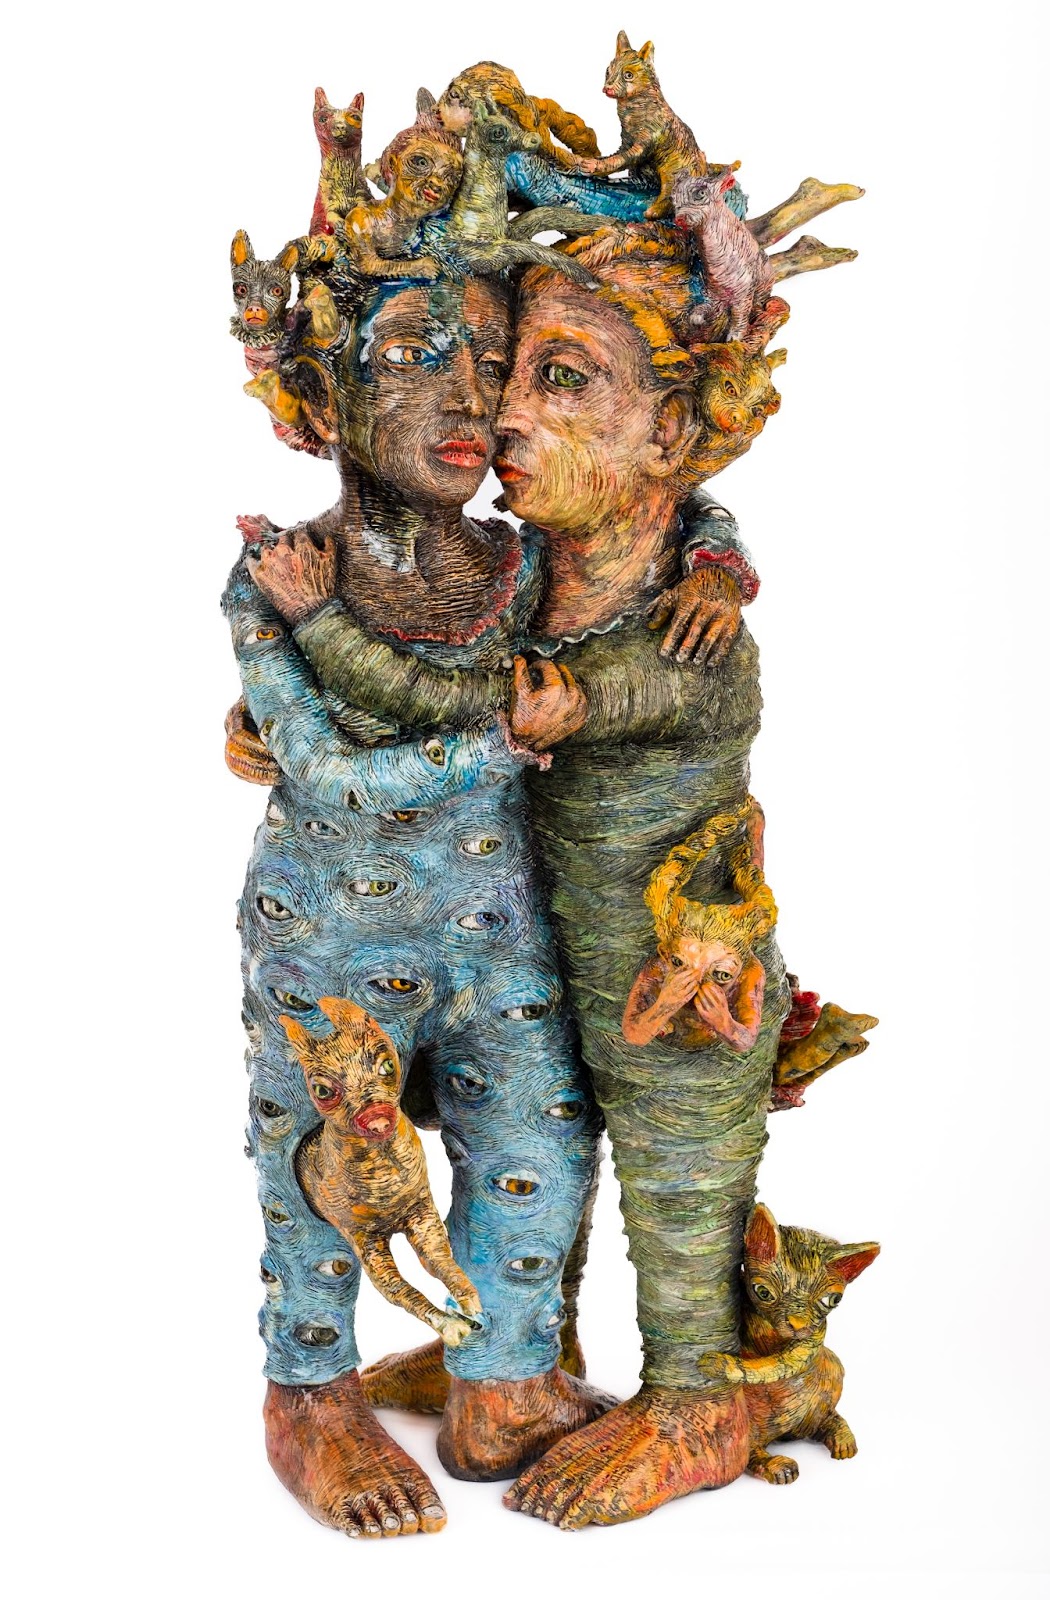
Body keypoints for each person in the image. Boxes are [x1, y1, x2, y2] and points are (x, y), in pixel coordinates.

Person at [256, 223, 788, 1526]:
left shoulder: (560, 584)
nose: (478, 408)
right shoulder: (317, 572)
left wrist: (720, 560)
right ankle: (319, 1391)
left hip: (561, 950)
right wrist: (291, 685)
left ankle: (554, 1382)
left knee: (550, 1149)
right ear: (320, 400)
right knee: (331, 1153)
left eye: (506, 368)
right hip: (350, 936)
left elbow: (659, 535)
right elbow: (341, 745)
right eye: (419, 361)